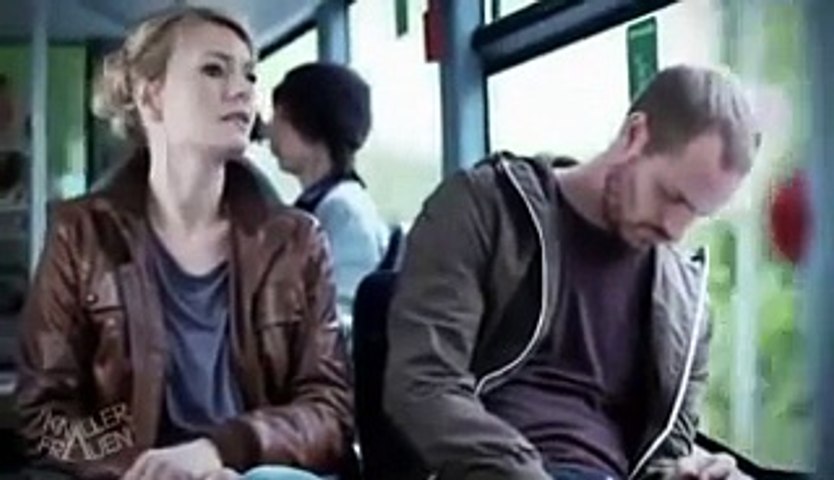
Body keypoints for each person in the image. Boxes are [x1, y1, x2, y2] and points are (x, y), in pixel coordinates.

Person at [15, 7, 351, 480]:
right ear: (150, 96)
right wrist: (142, 468)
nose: (242, 90)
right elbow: (44, 416)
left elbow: (329, 410)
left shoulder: (296, 240)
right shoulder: (82, 234)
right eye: (214, 70)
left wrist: (222, 451)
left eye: (249, 74)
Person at [384, 65, 759, 480]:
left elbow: (662, 453)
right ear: (635, 136)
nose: (675, 229)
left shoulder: (685, 307)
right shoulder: (484, 208)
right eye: (670, 196)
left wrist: (684, 473)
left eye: (697, 213)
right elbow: (423, 383)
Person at [268, 63, 389, 321]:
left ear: (309, 124)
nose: (270, 130)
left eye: (281, 117)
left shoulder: (344, 212)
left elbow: (342, 315)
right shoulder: (326, 204)